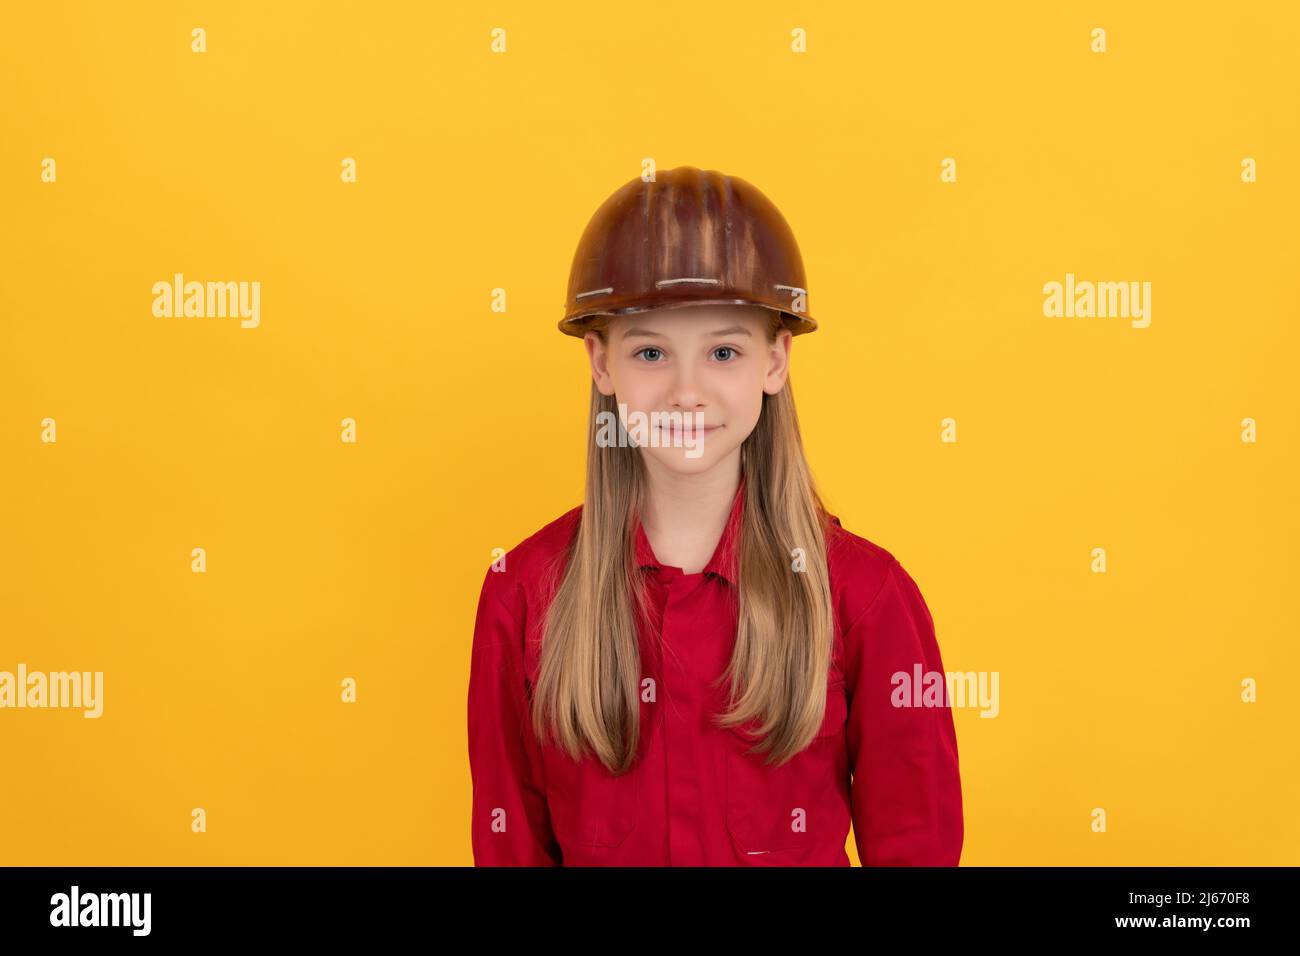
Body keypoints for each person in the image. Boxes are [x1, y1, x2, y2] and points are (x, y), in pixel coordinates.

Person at [467, 166, 963, 866]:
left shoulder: (867, 598)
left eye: (724, 351)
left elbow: (918, 844)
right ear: (601, 364)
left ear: (776, 362)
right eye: (650, 352)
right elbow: (510, 846)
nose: (686, 392)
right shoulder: (521, 595)